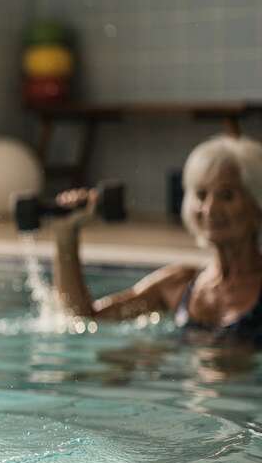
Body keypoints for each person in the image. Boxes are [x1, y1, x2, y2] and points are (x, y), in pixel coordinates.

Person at [51, 135, 262, 345]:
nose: (209, 209)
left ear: (257, 205)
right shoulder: (179, 284)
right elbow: (84, 320)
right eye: (201, 195)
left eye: (226, 195)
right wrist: (66, 237)